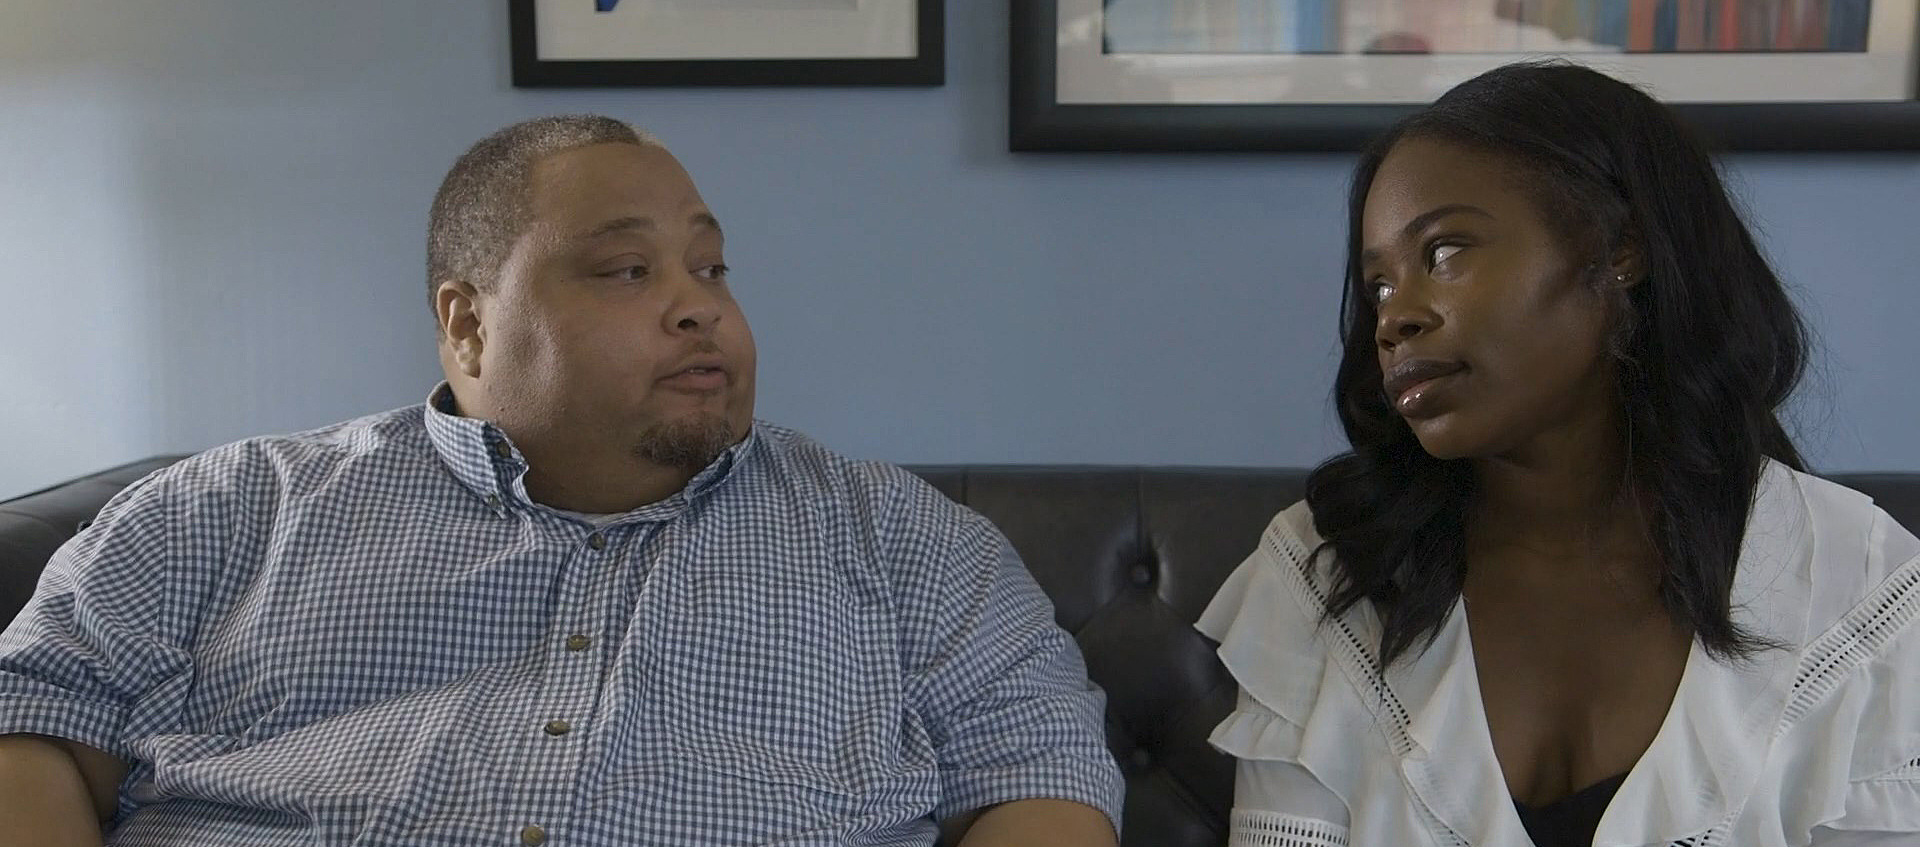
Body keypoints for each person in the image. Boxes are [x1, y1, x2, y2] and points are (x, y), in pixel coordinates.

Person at [0, 116, 1123, 846]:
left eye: (711, 265)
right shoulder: (217, 514)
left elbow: (1046, 778)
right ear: (467, 322)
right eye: (628, 269)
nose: (701, 305)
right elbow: (36, 726)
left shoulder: (907, 541)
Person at [1198, 62, 1919, 846]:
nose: (1395, 317)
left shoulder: (1859, 593)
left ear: (1621, 248)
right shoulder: (1324, 575)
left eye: (1443, 253)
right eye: (1377, 285)